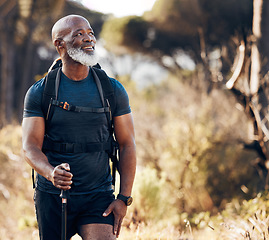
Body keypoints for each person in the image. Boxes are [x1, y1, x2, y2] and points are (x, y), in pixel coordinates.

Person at [22, 14, 136, 240]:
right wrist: (50, 173)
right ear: (59, 44)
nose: (88, 38)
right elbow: (30, 147)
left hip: (98, 196)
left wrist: (123, 198)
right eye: (79, 34)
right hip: (53, 197)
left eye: (90, 32)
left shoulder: (112, 90)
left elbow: (127, 144)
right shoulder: (40, 93)